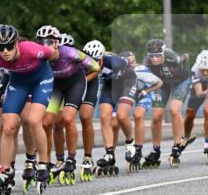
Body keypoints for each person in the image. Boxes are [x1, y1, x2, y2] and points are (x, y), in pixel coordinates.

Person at [0, 24, 58, 195]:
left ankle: (44, 163)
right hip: (18, 83)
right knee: (8, 126)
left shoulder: (33, 49)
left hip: (41, 80)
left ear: (16, 43)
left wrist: (55, 50)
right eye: (0, 48)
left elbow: (55, 54)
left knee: (32, 120)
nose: (5, 51)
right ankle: (5, 170)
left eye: (9, 46)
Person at [37, 27, 100, 184]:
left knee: (68, 118)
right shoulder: (39, 56)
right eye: (41, 42)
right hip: (56, 86)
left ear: (56, 43)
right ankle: (49, 161)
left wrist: (86, 77)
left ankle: (71, 159)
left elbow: (96, 67)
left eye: (49, 41)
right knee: (46, 123)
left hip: (75, 83)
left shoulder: (70, 53)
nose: (45, 45)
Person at [141, 38, 191, 168]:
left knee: (174, 110)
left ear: (163, 53)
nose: (155, 59)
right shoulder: (147, 62)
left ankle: (176, 146)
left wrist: (184, 58)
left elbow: (186, 56)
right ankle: (155, 150)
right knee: (156, 116)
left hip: (180, 82)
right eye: (152, 56)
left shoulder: (172, 58)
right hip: (163, 84)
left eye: (158, 56)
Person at [111, 52, 163, 170]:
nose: (133, 65)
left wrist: (147, 91)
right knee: (114, 122)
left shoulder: (141, 70)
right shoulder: (119, 71)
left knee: (138, 115)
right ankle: (110, 154)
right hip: (127, 94)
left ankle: (138, 149)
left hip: (142, 95)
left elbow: (159, 82)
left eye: (134, 62)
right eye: (130, 63)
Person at [90, 44, 135, 177]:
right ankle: (109, 153)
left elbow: (130, 61)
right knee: (104, 117)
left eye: (97, 60)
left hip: (127, 82)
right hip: (110, 86)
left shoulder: (113, 61)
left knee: (121, 116)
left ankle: (130, 141)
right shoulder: (86, 65)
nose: (95, 64)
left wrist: (131, 61)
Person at [77, 39, 104, 181]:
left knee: (85, 117)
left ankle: (88, 156)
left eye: (96, 59)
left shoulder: (107, 61)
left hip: (91, 82)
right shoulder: (77, 56)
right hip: (76, 81)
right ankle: (62, 158)